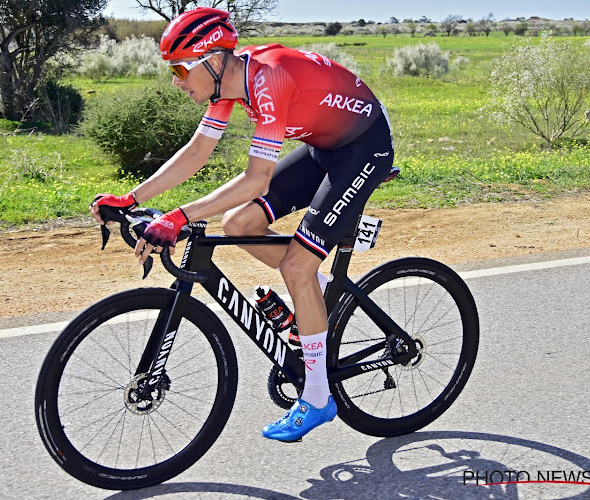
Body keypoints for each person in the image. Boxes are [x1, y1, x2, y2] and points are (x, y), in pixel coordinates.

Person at [90, 7, 394, 442]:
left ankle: (319, 397)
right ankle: (321, 292)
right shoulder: (228, 83)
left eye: (179, 68)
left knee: (295, 269)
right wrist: (132, 198)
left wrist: (178, 217)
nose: (176, 81)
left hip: (364, 149)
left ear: (212, 60)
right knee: (238, 223)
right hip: (321, 147)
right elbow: (197, 153)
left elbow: (257, 178)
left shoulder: (268, 79)